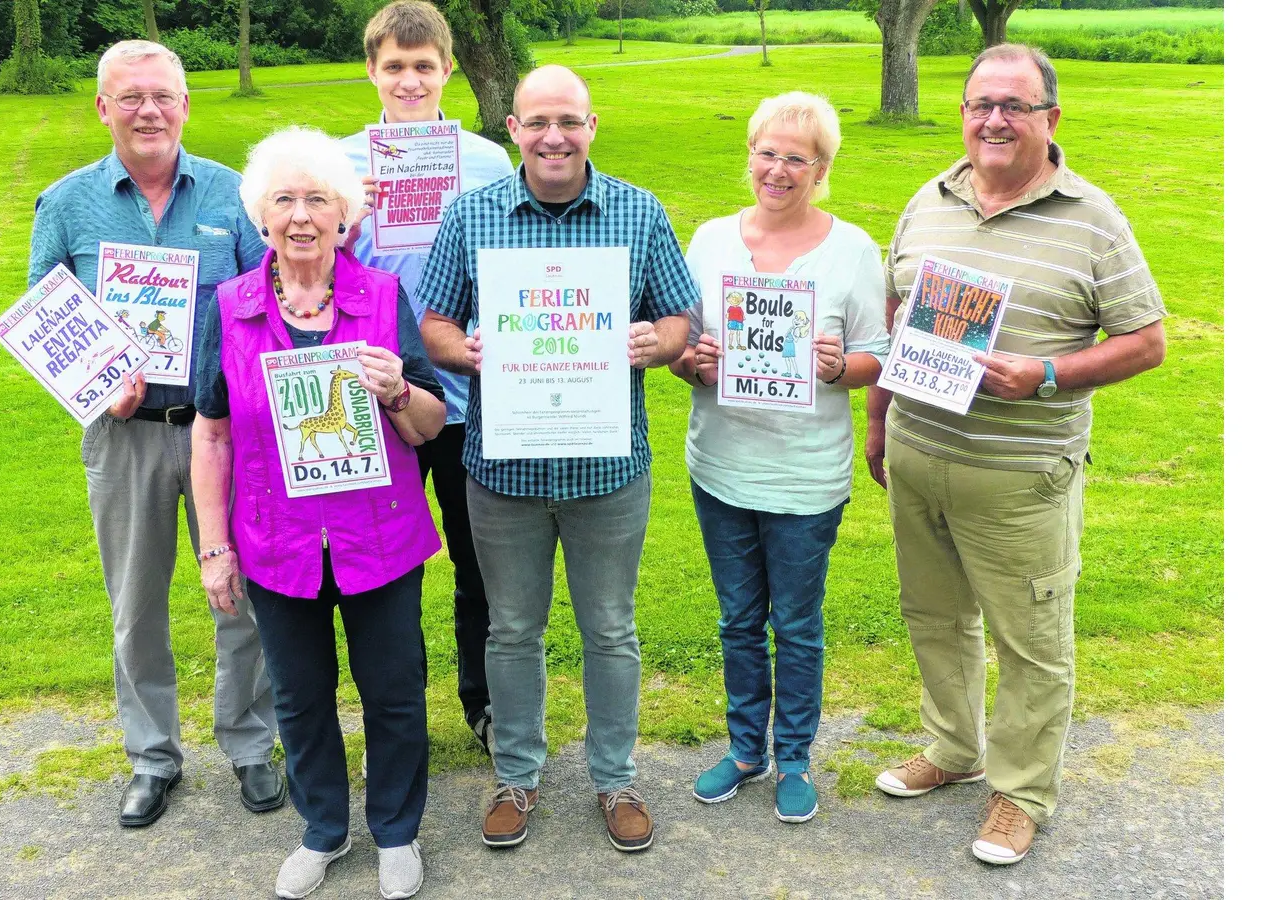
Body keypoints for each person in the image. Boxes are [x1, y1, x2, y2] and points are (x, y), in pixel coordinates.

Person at [866, 45, 1167, 866]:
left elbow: (1147, 342)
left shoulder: (1092, 217)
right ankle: (952, 750)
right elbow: (898, 317)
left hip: (1021, 473)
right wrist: (879, 420)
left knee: (1031, 642)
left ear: (1050, 120)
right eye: (980, 104)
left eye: (1015, 105)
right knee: (935, 619)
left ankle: (1022, 792)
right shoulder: (926, 199)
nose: (994, 119)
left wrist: (1045, 376)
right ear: (963, 113)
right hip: (922, 453)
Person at [420, 65, 701, 854]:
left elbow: (680, 313)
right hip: (503, 470)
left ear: (592, 125)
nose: (554, 137)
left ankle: (615, 779)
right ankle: (517, 774)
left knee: (610, 630)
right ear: (512, 127)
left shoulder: (638, 213)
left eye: (569, 121)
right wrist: (464, 351)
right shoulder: (472, 214)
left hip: (606, 468)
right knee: (510, 631)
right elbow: (434, 319)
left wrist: (660, 340)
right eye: (538, 121)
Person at [27, 39, 281, 829]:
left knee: (238, 594)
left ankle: (249, 744)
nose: (148, 111)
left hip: (222, 432)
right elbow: (45, 325)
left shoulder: (235, 195)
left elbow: (265, 307)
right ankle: (152, 756)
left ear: (185, 105)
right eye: (130, 97)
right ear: (104, 108)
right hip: (124, 433)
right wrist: (100, 385)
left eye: (162, 96)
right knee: (135, 603)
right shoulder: (66, 204)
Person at [190, 125, 448, 900]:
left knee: (394, 690)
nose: (301, 216)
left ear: (347, 215)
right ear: (260, 217)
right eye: (284, 200)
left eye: (319, 200)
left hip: (380, 538)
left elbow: (431, 424)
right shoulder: (229, 307)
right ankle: (323, 831)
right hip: (276, 544)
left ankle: (397, 832)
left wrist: (398, 388)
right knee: (300, 698)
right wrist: (213, 546)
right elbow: (211, 431)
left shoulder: (386, 299)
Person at [670, 91, 890, 824]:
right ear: (750, 157)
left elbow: (880, 358)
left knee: (796, 625)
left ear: (821, 167)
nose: (778, 168)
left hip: (805, 474)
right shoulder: (709, 240)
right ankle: (743, 750)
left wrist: (838, 369)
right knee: (737, 621)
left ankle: (793, 756)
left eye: (797, 157)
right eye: (768, 152)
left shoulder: (853, 250)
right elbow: (682, 347)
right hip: (722, 465)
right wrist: (692, 360)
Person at [338, 0, 516, 757]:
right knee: (384, 568)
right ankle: (397, 712)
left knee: (480, 561)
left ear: (447, 70)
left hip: (470, 398)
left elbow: (510, 262)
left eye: (423, 66)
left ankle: (482, 703)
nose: (409, 81)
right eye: (394, 67)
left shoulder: (485, 161)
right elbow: (303, 269)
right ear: (373, 72)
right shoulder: (340, 162)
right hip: (376, 393)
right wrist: (349, 220)